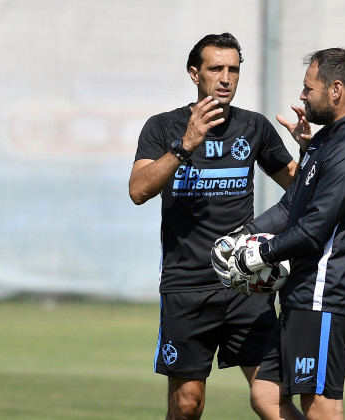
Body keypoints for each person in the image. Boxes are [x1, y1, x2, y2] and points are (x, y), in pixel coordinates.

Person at [128, 32, 309, 420]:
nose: (226, 77)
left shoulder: (254, 128)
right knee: (187, 404)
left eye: (233, 69)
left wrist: (310, 152)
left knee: (273, 399)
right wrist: (185, 145)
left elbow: (303, 189)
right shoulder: (162, 127)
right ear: (195, 74)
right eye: (216, 69)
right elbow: (138, 190)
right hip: (187, 287)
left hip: (246, 283)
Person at [219, 48, 345, 420]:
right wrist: (243, 235)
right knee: (266, 395)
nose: (301, 95)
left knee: (321, 409)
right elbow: (288, 208)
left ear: (336, 89)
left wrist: (260, 255)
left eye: (307, 88)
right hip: (304, 294)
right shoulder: (327, 140)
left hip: (326, 294)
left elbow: (314, 230)